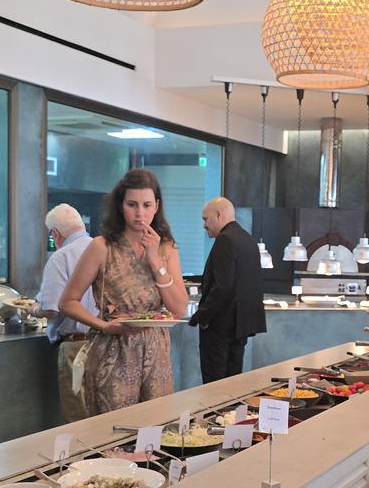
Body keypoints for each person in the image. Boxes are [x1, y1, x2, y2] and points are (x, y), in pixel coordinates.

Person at [57, 168, 189, 415]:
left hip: (156, 350)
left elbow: (179, 308)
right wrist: (103, 325)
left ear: (157, 206)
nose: (140, 213)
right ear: (120, 205)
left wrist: (155, 261)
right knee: (113, 426)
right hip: (113, 347)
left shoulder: (166, 247)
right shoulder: (102, 246)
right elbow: (67, 301)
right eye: (132, 205)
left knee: (157, 423)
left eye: (147, 205)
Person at [189, 197, 266, 383]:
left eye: (205, 219)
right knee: (232, 384)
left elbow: (222, 286)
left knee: (214, 386)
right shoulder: (248, 240)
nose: (204, 225)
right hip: (240, 327)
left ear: (218, 215)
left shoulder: (225, 240)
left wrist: (202, 317)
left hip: (220, 327)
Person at [36, 204, 97, 422]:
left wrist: (33, 309)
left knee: (79, 417)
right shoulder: (102, 250)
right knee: (102, 414)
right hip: (105, 343)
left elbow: (51, 308)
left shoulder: (61, 257)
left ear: (55, 234)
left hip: (76, 347)